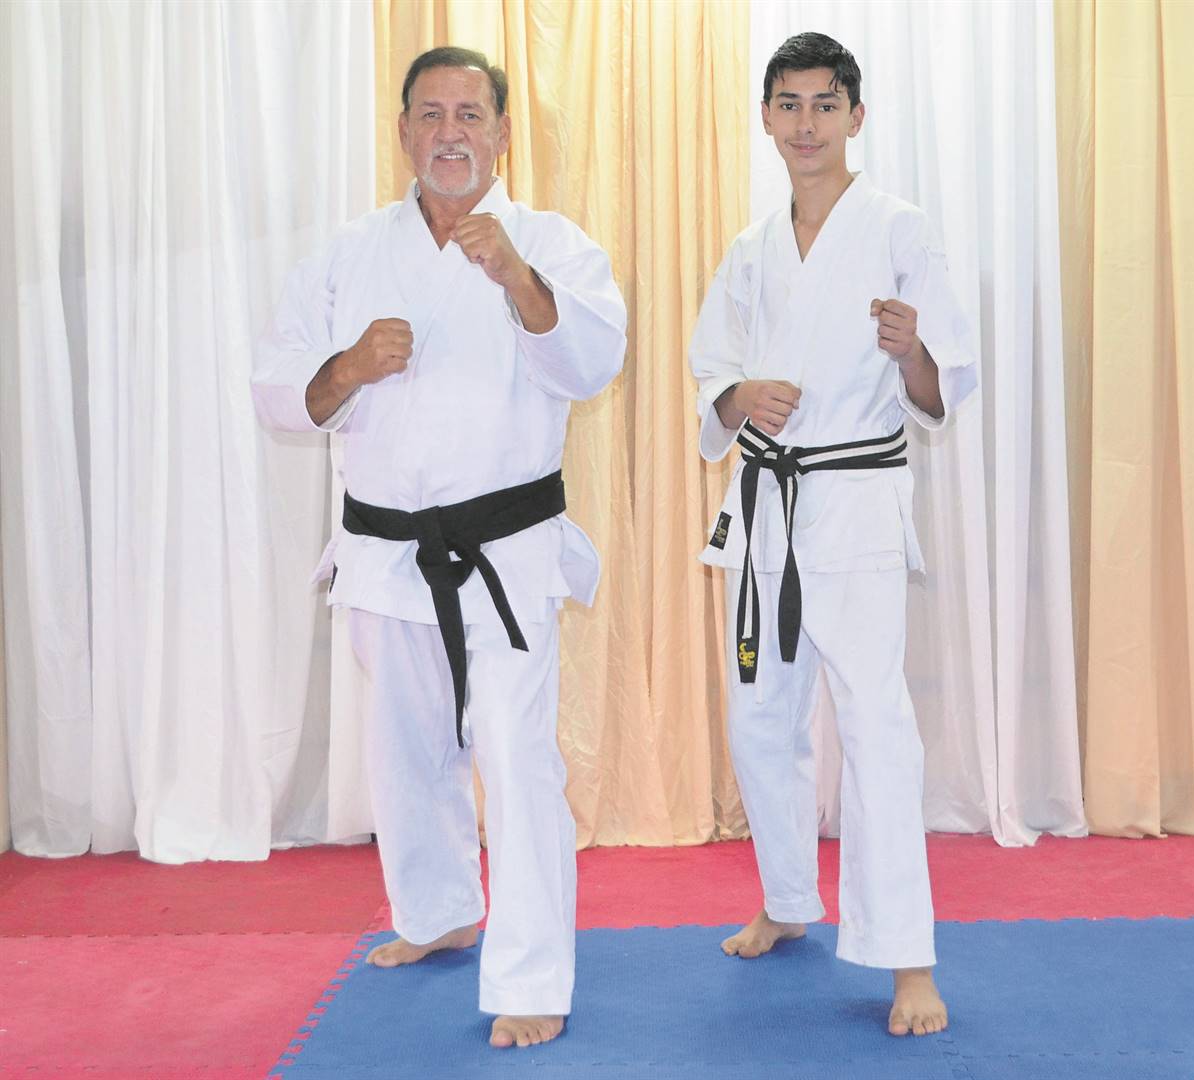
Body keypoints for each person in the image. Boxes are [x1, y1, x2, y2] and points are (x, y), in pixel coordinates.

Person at [251, 46, 626, 1049]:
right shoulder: (347, 254)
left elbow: (592, 363)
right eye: (430, 113)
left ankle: (532, 975)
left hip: (506, 550)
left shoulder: (550, 243)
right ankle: (440, 911)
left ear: (501, 133)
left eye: (469, 114)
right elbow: (277, 390)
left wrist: (516, 279)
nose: (450, 132)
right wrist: (347, 366)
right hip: (384, 549)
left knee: (514, 756)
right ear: (404, 132)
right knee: (405, 750)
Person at [690, 31, 977, 1038]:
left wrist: (910, 353)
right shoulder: (749, 249)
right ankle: (785, 898)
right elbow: (711, 371)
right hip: (768, 500)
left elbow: (941, 387)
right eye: (789, 104)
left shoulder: (900, 230)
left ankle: (908, 957)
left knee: (874, 725)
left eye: (824, 103)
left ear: (855, 115)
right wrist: (738, 396)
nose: (805, 123)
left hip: (853, 498)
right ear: (766, 118)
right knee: (759, 715)